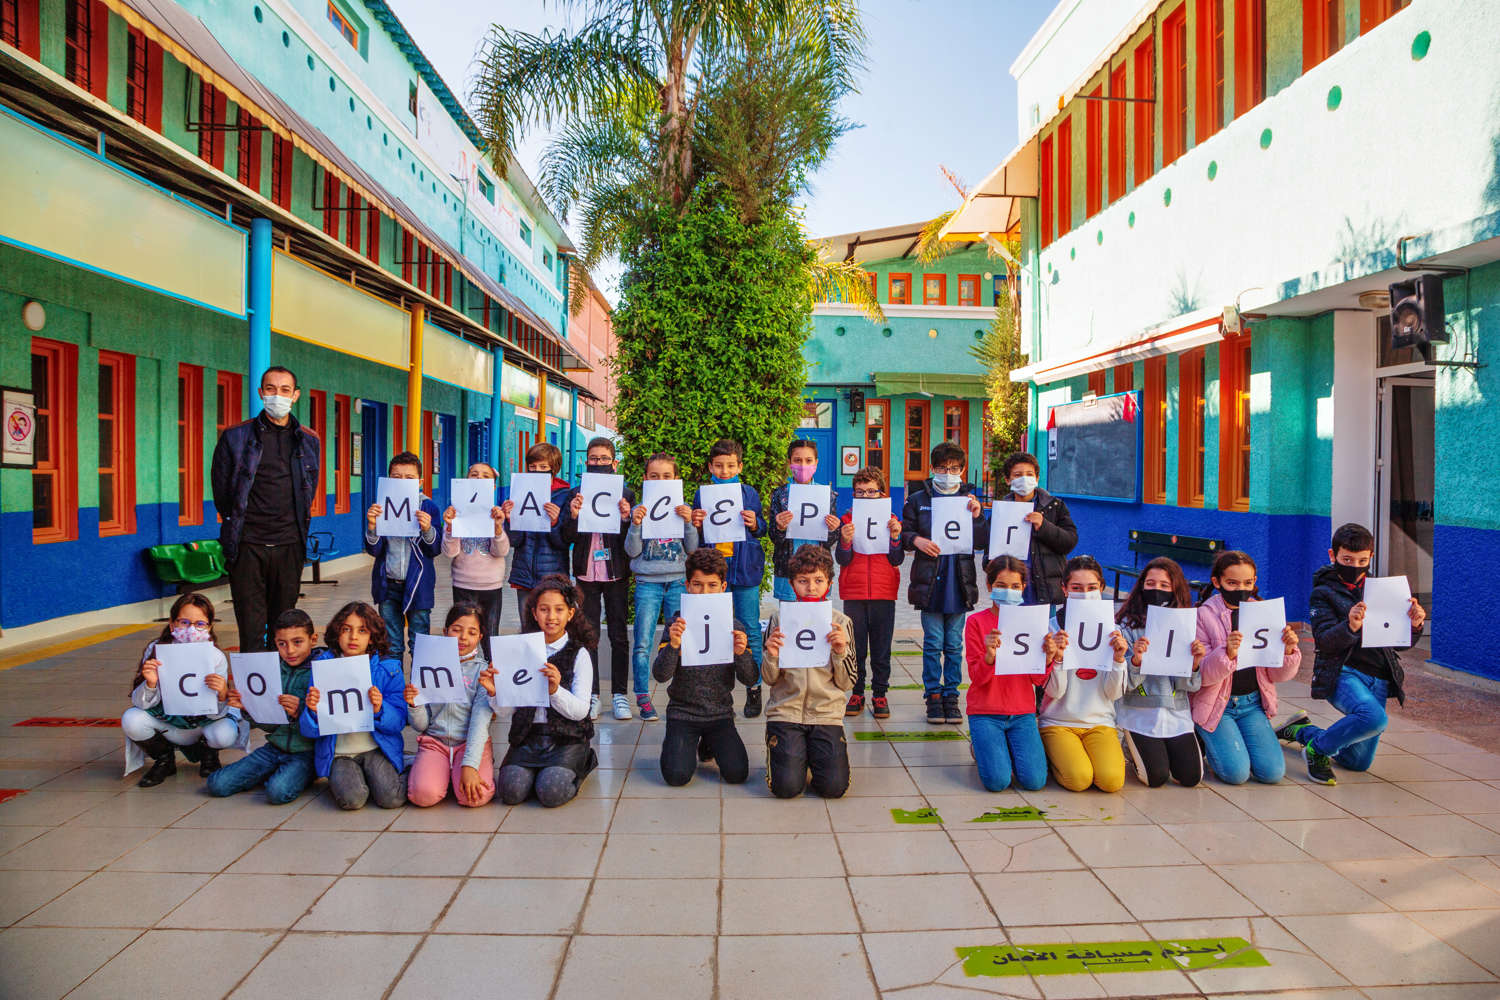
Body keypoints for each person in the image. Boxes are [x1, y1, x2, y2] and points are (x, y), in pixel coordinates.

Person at [1276, 523, 1426, 784]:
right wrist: (1351, 625)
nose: (1355, 565)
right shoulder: (1323, 593)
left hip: (1378, 677)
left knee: (1357, 762)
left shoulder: (1383, 590)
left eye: (1362, 560)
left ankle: (1302, 731)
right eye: (1347, 559)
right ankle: (1317, 750)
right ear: (1333, 555)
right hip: (1342, 673)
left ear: (1370, 557)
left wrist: (1414, 625)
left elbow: (1399, 644)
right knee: (1374, 718)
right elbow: (1324, 640)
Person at [210, 365, 320, 652]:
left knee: (284, 627)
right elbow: (222, 494)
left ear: (295, 396)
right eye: (270, 389)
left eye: (285, 390)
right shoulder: (235, 437)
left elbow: (309, 488)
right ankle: (253, 693)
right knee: (250, 627)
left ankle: (281, 692)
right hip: (248, 546)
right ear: (261, 393)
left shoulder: (309, 440)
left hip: (289, 545)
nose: (277, 396)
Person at [1192, 551, 1302, 785]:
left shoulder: (1263, 612)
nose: (1240, 588)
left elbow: (1276, 674)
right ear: (1217, 582)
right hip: (1215, 705)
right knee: (1236, 774)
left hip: (1252, 704)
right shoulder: (1204, 614)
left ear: (1254, 582)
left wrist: (1288, 651)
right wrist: (1227, 653)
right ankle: (1206, 741)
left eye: (1247, 582)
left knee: (1272, 773)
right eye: (1232, 583)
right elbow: (1201, 676)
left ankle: (1235, 741)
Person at [489, 574, 598, 807]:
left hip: (567, 739)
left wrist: (555, 691)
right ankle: (538, 772)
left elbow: (580, 711)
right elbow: (507, 711)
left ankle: (581, 761)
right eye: (544, 610)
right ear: (534, 613)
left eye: (559, 610)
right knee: (510, 791)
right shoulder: (519, 650)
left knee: (551, 792)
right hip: (528, 737)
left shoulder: (579, 654)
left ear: (570, 614)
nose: (551, 617)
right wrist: (494, 693)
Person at [652, 548, 757, 786]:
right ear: (687, 585)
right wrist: (674, 646)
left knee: (737, 773)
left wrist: (741, 654)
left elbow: (751, 679)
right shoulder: (675, 624)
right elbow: (660, 675)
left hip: (720, 713)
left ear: (723, 586)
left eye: (712, 585)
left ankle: (708, 741)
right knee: (676, 776)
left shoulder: (734, 625)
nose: (704, 591)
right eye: (698, 584)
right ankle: (680, 742)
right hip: (683, 712)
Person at [900, 441, 988, 725]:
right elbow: (904, 534)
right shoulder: (918, 499)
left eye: (953, 468)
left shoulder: (969, 499)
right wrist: (916, 540)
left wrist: (977, 516)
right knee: (932, 642)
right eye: (942, 468)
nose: (948, 473)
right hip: (929, 582)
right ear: (933, 469)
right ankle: (933, 695)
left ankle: (952, 695)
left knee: (953, 644)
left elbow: (983, 540)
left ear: (962, 470)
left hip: (959, 581)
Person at [760, 546, 855, 799]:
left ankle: (814, 756)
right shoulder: (779, 620)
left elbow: (847, 683)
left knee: (833, 788)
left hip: (826, 714)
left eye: (818, 580)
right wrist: (771, 654)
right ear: (792, 584)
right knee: (787, 788)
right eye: (803, 581)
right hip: (786, 712)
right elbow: (769, 679)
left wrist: (840, 650)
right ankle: (791, 754)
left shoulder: (842, 622)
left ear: (829, 583)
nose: (811, 587)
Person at [121, 593, 237, 788]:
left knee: (225, 732)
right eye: (184, 622)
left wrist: (222, 693)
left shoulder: (215, 657)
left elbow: (219, 714)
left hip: (201, 725)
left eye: (200, 624)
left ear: (209, 627)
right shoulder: (156, 649)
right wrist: (150, 683)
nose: (192, 629)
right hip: (167, 722)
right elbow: (140, 703)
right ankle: (164, 759)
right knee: (131, 719)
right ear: (172, 624)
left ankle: (208, 755)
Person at [301, 602, 409, 810]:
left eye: (362, 630)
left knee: (391, 799)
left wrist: (380, 709)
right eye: (346, 629)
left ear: (372, 637)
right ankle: (356, 779)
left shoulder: (389, 670)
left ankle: (411, 768)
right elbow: (308, 730)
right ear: (336, 632)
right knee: (353, 800)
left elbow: (398, 722)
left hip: (376, 748)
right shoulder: (323, 668)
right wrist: (312, 711)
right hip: (339, 753)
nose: (353, 637)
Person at [207, 609, 318, 804]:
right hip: (274, 747)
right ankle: (277, 773)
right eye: (282, 644)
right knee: (217, 784)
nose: (290, 650)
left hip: (307, 752)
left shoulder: (322, 670)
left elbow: (328, 725)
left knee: (277, 792)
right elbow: (270, 725)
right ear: (275, 643)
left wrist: (300, 712)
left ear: (313, 639)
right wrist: (248, 709)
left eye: (297, 642)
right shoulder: (271, 671)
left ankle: (301, 774)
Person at [690, 438, 767, 718]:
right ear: (711, 466)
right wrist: (695, 523)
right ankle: (716, 688)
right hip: (715, 570)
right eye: (719, 466)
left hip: (744, 568)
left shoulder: (750, 493)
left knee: (749, 628)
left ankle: (754, 687)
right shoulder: (703, 494)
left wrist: (756, 522)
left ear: (740, 466)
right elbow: (697, 536)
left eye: (731, 466)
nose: (725, 471)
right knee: (715, 628)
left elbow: (762, 529)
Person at [1114, 558, 1208, 787]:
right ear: (1141, 586)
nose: (1157, 590)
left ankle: (1172, 747)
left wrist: (1194, 664)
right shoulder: (1125, 626)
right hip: (1140, 713)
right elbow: (1124, 685)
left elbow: (1191, 686)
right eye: (1151, 583)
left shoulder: (1185, 626)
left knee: (1191, 777)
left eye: (1165, 585)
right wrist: (1136, 659)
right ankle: (1132, 746)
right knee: (1155, 777)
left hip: (1176, 712)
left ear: (1176, 589)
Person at [1039, 556, 1129, 793]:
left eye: (1091, 588)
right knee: (1078, 780)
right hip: (1058, 721)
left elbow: (1114, 694)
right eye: (1076, 588)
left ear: (1101, 588)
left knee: (1111, 782)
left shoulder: (1113, 630)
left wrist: (1119, 660)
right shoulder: (1050, 628)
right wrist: (1057, 657)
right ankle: (1049, 754)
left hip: (1100, 722)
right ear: (1064, 590)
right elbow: (1054, 692)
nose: (1085, 593)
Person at [563, 437, 636, 720]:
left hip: (616, 573)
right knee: (587, 634)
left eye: (604, 459)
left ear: (614, 463)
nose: (599, 463)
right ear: (586, 462)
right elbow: (565, 537)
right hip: (586, 573)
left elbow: (631, 540)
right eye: (593, 459)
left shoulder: (626, 495)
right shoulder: (575, 495)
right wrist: (572, 516)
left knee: (619, 634)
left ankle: (619, 695)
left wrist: (627, 518)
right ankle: (591, 695)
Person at [964, 556, 1051, 792]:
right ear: (990, 586)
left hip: (1022, 712)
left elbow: (1039, 680)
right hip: (986, 711)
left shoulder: (1033, 622)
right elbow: (977, 678)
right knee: (997, 782)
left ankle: (1003, 747)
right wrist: (989, 656)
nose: (1008, 591)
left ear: (1023, 588)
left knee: (1035, 781)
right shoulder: (975, 622)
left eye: (1015, 586)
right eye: (1001, 586)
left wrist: (1049, 657)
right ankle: (981, 746)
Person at [625, 452, 698, 722]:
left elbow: (692, 549)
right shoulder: (639, 510)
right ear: (645, 479)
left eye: (667, 476)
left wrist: (689, 522)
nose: (661, 480)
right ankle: (643, 697)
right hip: (647, 583)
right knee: (643, 643)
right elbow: (631, 552)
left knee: (680, 641)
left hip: (678, 581)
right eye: (654, 476)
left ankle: (682, 695)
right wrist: (635, 525)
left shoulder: (683, 509)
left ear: (676, 479)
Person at [405, 602, 497, 807]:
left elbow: (480, 722)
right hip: (435, 743)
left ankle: (465, 768)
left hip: (469, 743)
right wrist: (414, 705)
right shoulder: (428, 667)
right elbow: (421, 725)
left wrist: (470, 765)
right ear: (445, 632)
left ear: (480, 637)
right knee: (423, 795)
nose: (463, 637)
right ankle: (430, 768)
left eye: (472, 632)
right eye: (457, 630)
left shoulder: (482, 673)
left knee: (475, 796)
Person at [836, 466, 904, 719]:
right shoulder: (847, 520)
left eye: (871, 491)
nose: (865, 496)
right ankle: (857, 692)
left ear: (882, 493)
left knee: (881, 647)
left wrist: (896, 537)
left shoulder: (892, 520)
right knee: (855, 647)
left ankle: (880, 693)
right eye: (860, 492)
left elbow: (897, 559)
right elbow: (842, 558)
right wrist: (844, 540)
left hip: (884, 591)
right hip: (853, 591)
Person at [363, 452, 443, 657]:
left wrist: (427, 529)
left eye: (409, 478)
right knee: (391, 644)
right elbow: (375, 550)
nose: (402, 482)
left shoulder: (428, 506)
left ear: (420, 482)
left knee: (420, 643)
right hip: (388, 584)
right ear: (389, 479)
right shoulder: (381, 506)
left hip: (419, 585)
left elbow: (435, 549)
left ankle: (418, 687)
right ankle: (395, 687)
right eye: (396, 477)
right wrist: (372, 526)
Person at [998, 451, 1078, 605]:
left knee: (1045, 629)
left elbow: (1069, 542)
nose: (1024, 479)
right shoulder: (1001, 510)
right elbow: (989, 549)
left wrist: (1044, 526)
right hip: (1011, 589)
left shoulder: (1054, 507)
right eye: (1018, 475)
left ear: (1037, 478)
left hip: (1045, 590)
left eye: (1029, 474)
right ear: (1008, 480)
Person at [442, 462, 509, 638]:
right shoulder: (455, 513)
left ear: (493, 486)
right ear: (466, 481)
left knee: (490, 635)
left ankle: (490, 665)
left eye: (485, 476)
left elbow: (501, 551)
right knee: (461, 635)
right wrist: (450, 527)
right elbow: (449, 552)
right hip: (463, 584)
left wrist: (498, 529)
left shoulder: (498, 513)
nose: (479, 478)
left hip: (491, 585)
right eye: (474, 474)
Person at [768, 438, 840, 602]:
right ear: (789, 462)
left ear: (816, 463)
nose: (802, 466)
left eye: (808, 460)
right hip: (788, 569)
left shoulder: (828, 495)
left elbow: (829, 541)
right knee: (789, 620)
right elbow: (773, 537)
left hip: (818, 571)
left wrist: (833, 529)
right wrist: (779, 527)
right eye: (797, 460)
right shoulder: (780, 495)